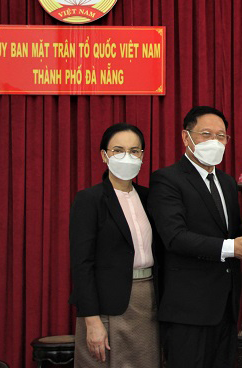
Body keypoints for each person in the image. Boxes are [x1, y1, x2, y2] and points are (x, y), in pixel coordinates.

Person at [148, 106, 242, 368]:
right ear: (186, 137)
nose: (215, 142)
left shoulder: (226, 182)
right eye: (206, 134)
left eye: (221, 136)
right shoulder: (166, 180)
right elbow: (175, 237)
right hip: (188, 311)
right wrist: (231, 248)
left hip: (226, 307)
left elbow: (233, 233)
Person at [69, 123, 160, 367]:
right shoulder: (89, 199)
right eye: (118, 150)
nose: (127, 157)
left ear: (142, 155)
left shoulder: (150, 197)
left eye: (134, 151)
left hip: (147, 299)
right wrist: (91, 319)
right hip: (106, 307)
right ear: (104, 155)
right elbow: (82, 263)